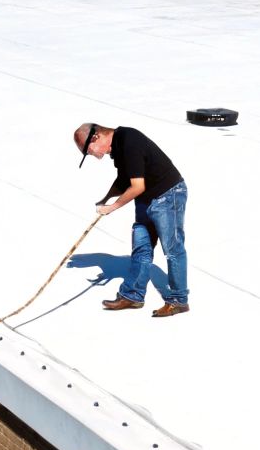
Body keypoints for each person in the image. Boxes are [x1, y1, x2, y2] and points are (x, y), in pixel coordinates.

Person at [74, 123, 189, 317]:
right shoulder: (118, 148)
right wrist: (106, 198)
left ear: (95, 138)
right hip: (146, 200)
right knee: (141, 248)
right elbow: (124, 181)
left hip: (169, 195)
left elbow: (137, 186)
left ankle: (179, 300)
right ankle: (133, 295)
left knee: (172, 249)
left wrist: (112, 207)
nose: (93, 156)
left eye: (90, 152)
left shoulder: (129, 142)